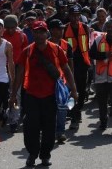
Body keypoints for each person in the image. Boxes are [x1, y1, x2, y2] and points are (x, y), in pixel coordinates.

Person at [9, 21, 77, 167]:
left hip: (50, 95)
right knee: (30, 127)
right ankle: (32, 154)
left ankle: (45, 155)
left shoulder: (56, 49)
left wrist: (74, 90)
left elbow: (66, 69)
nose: (39, 35)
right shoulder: (27, 51)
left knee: (49, 127)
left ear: (47, 33)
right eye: (36, 32)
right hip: (31, 94)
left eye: (42, 32)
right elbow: (19, 74)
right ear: (32, 33)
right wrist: (13, 95)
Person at [64, 4, 91, 130]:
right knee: (71, 91)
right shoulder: (64, 29)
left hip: (83, 63)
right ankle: (74, 115)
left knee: (81, 91)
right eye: (73, 16)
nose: (75, 18)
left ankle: (78, 109)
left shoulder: (85, 27)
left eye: (77, 15)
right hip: (69, 64)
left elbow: (89, 45)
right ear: (69, 16)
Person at [48, 19, 74, 143]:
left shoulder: (66, 45)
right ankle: (49, 131)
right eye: (59, 29)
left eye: (62, 28)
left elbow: (70, 65)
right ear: (52, 30)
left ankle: (60, 132)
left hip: (63, 81)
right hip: (48, 81)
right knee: (49, 108)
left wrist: (71, 83)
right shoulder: (44, 44)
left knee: (62, 108)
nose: (61, 31)